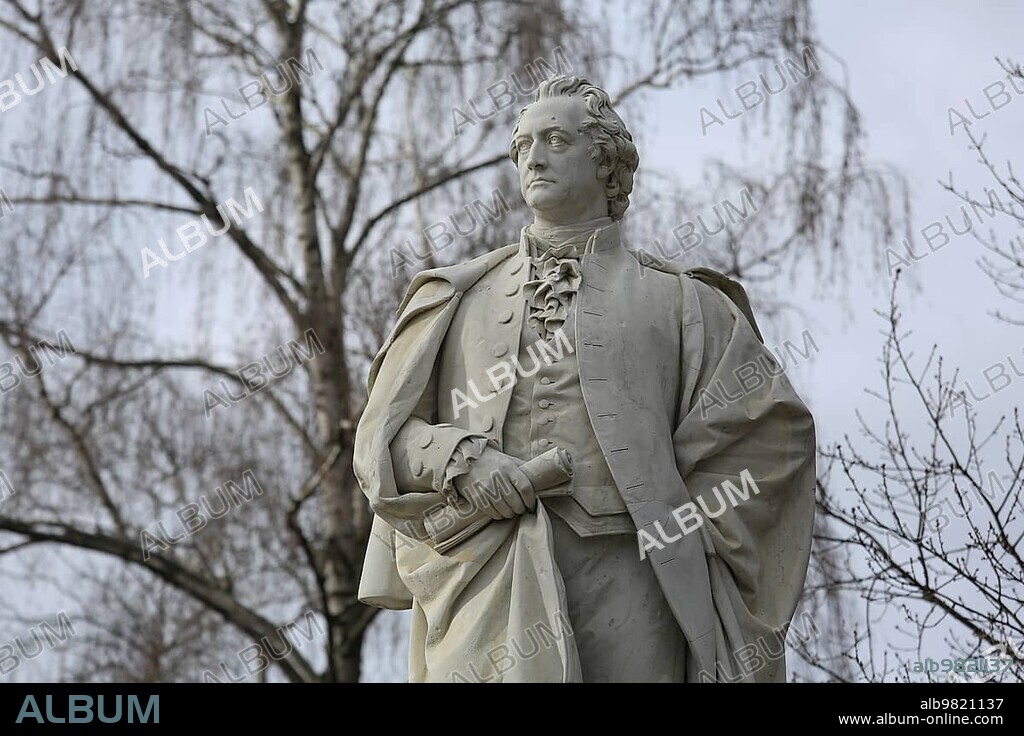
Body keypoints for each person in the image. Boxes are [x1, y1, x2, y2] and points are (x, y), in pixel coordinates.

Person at [354, 74, 816, 682]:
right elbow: (386, 436)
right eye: (522, 146)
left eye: (555, 140)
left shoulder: (686, 305)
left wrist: (685, 519)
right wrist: (461, 458)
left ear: (607, 164)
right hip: (486, 577)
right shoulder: (454, 300)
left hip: (634, 580)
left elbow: (768, 440)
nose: (533, 158)